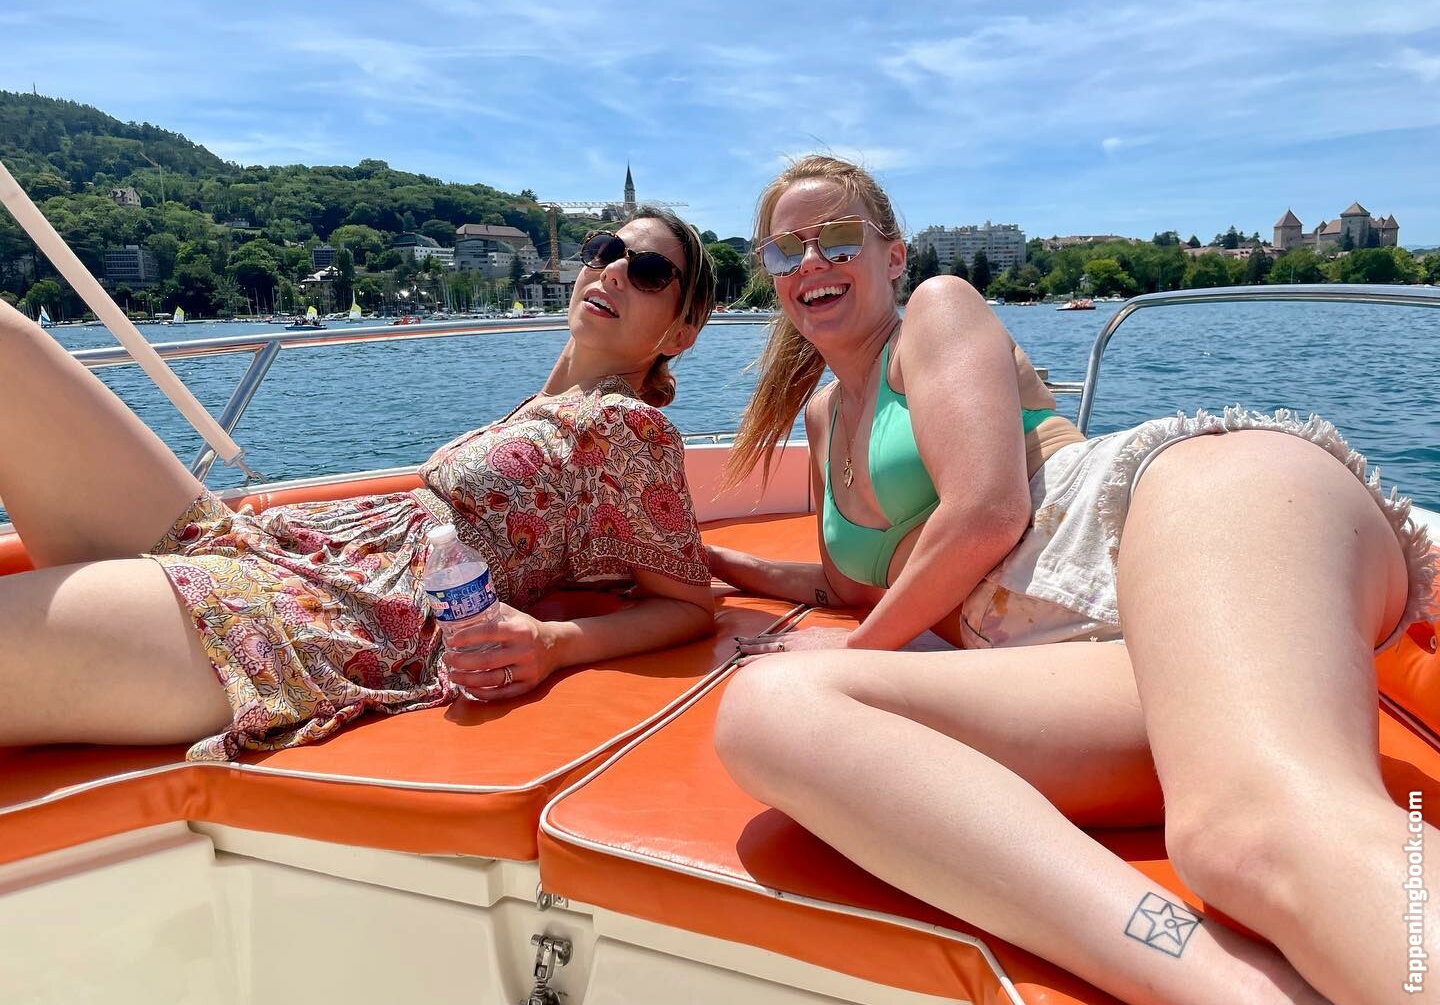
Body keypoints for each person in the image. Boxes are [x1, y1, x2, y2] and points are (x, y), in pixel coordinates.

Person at [708, 157, 1438, 1005]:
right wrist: (717, 566)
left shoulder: (937, 312)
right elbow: (849, 586)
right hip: (1089, 656)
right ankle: (1229, 989)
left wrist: (855, 651)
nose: (811, 262)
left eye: (836, 239)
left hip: (1173, 518)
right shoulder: (823, 417)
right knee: (768, 712)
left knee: (1266, 836)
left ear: (893, 255)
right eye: (784, 251)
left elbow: (984, 514)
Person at [0, 207, 717, 763]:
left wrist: (553, 641)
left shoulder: (629, 424)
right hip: (286, 551)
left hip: (331, 618)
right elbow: (641, 546)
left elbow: (686, 606)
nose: (613, 271)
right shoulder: (547, 408)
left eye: (650, 272)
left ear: (682, 333)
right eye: (605, 250)